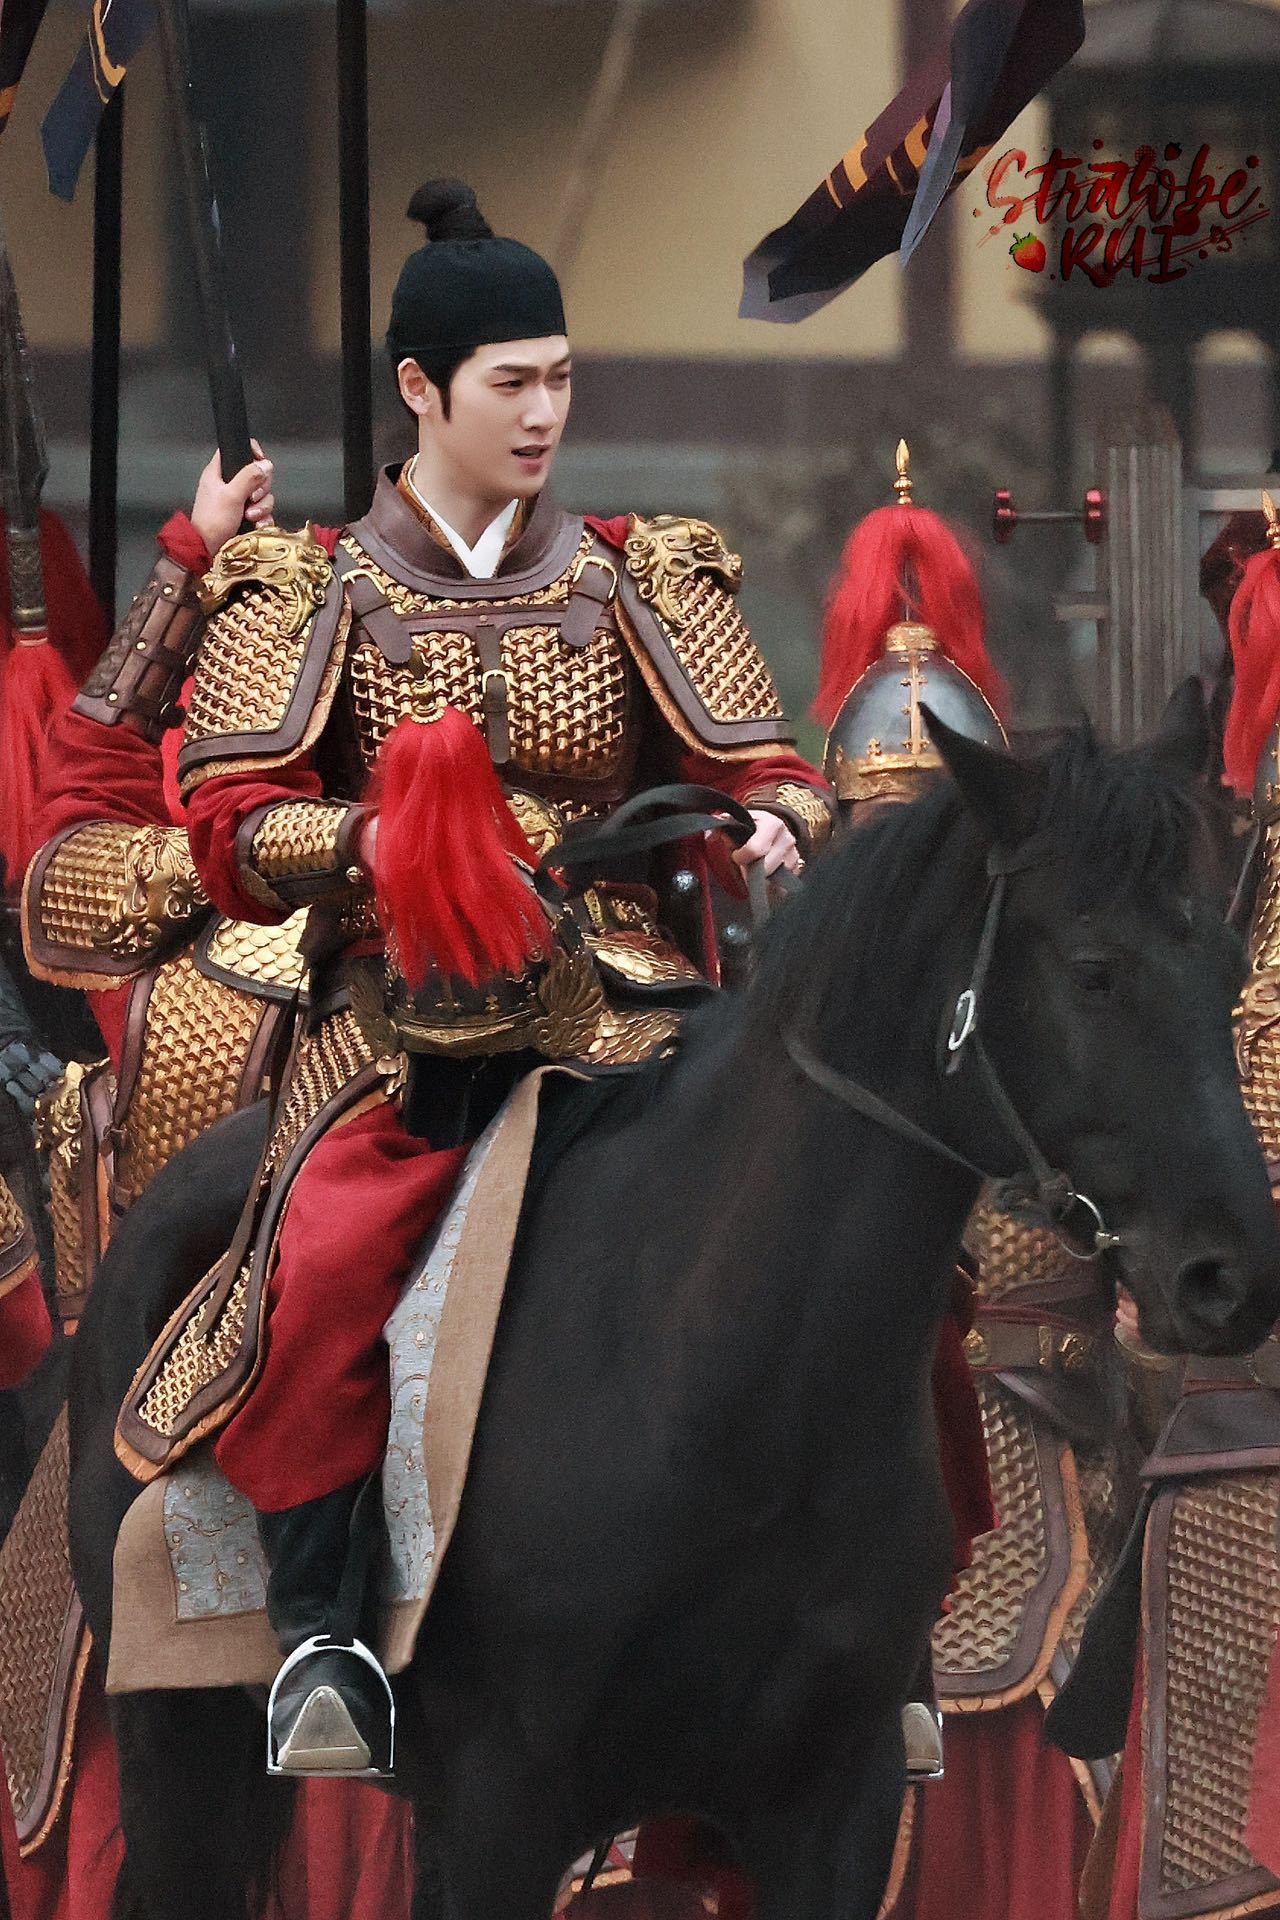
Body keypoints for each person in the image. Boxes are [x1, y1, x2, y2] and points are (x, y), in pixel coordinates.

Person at [110, 178, 834, 1778]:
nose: (546, 413)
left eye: (562, 379)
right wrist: (371, 840)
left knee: (807, 1202)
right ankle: (321, 1635)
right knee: (323, 1262)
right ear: (421, 392)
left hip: (622, 998)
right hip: (391, 1010)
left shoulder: (642, 571)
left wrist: (782, 820)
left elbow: (767, 760)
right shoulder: (308, 587)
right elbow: (230, 827)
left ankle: (839, 1611)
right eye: (513, 382)